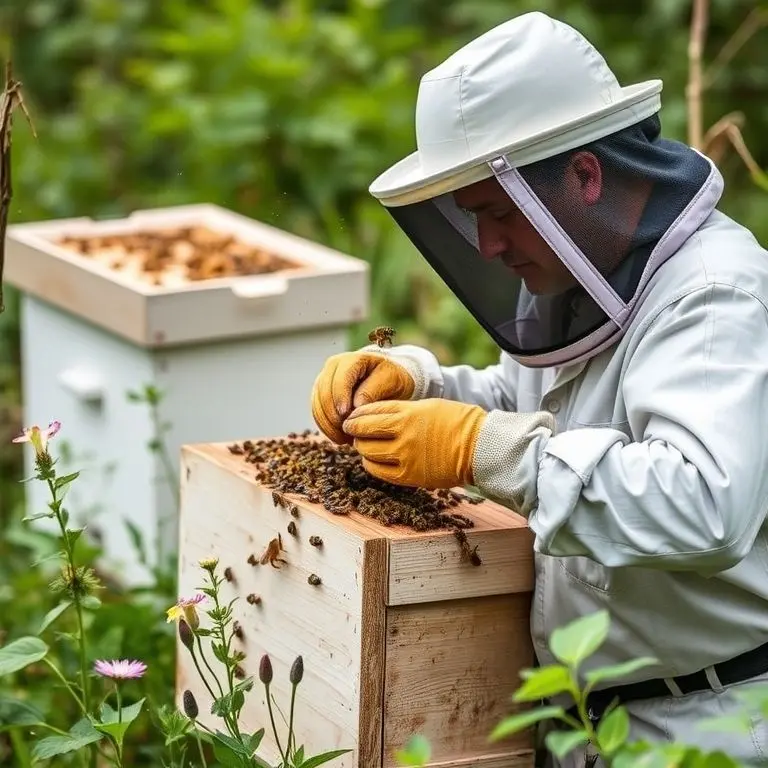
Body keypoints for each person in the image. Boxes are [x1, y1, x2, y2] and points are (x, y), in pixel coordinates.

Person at [310, 10, 768, 767]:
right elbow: (536, 410)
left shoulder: (716, 296)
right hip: (589, 726)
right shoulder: (585, 274)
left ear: (584, 176)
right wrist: (422, 384)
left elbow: (704, 502)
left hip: (706, 729)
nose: (488, 245)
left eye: (496, 214)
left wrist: (472, 447)